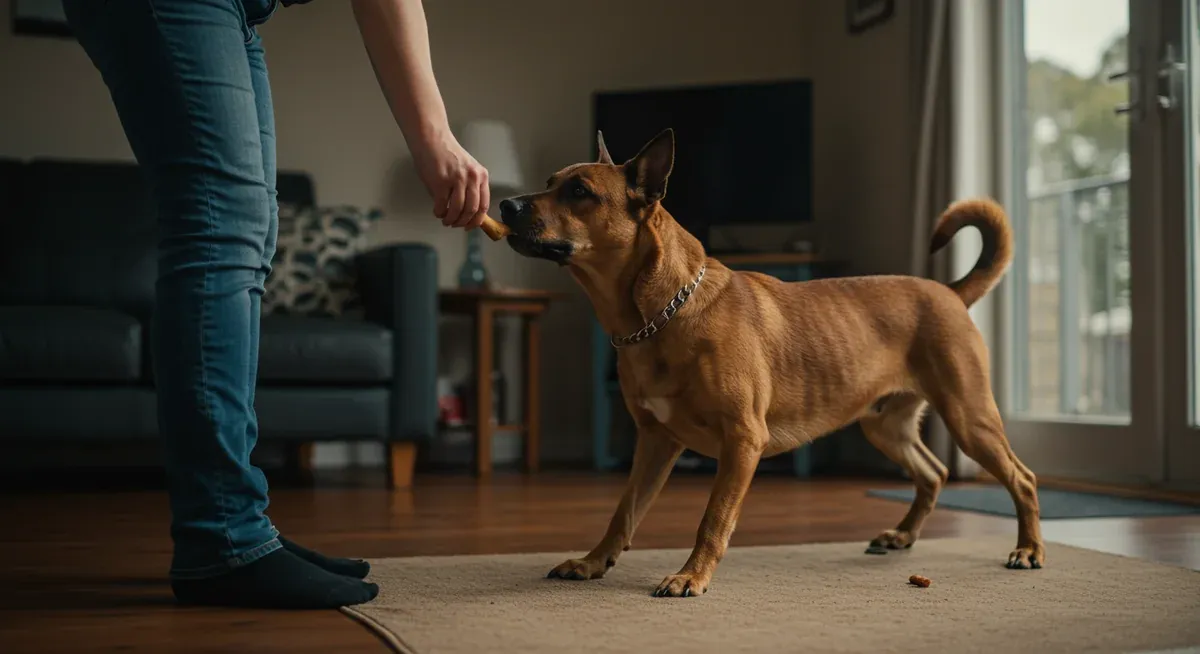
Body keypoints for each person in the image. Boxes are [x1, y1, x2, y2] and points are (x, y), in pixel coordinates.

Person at [61, 0, 490, 609]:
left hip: (235, 10)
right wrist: (434, 136)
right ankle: (223, 539)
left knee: (247, 237)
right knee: (219, 234)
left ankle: (243, 525)